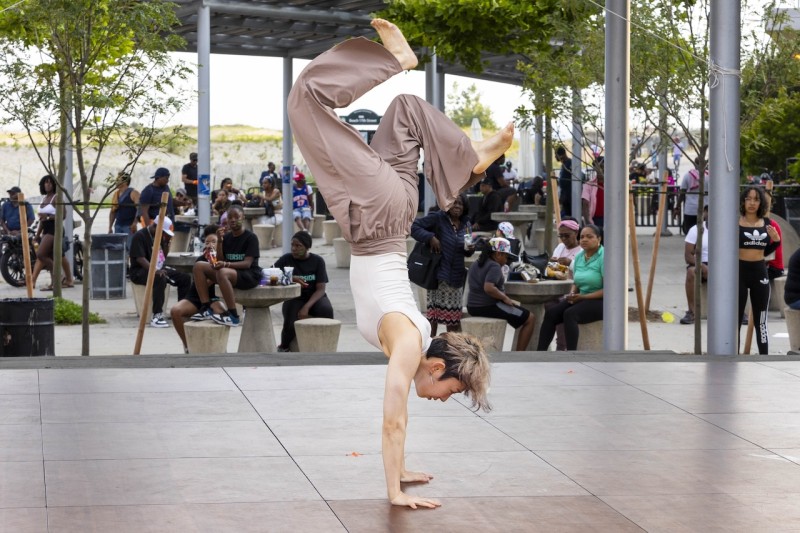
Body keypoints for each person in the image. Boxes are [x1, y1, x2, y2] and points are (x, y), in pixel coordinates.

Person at [287, 18, 509, 509]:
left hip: (395, 207)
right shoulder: (409, 344)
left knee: (406, 108)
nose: (442, 398)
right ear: (435, 365)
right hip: (379, 214)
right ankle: (407, 74)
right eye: (449, 390)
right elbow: (393, 418)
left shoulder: (414, 338)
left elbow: (399, 417)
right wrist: (393, 493)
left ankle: (468, 156)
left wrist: (403, 470)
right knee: (304, 99)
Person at [410, 193, 475, 336]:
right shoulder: (438, 218)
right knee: (433, 318)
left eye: (460, 204)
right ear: (447, 204)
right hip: (439, 276)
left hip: (456, 279)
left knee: (453, 321)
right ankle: (430, 345)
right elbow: (414, 226)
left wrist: (470, 249)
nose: (457, 206)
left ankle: (450, 349)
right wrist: (430, 237)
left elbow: (466, 251)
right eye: (454, 203)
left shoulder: (466, 224)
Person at [537, 224, 604, 351]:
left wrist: (582, 297)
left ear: (599, 239)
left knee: (570, 314)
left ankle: (571, 355)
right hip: (581, 297)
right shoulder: (579, 256)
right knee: (551, 313)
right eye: (582, 237)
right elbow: (577, 281)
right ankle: (540, 353)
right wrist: (573, 292)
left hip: (601, 301)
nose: (584, 240)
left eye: (589, 237)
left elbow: (609, 291)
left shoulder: (604, 257)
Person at [192, 204, 261, 327]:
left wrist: (226, 264)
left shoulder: (251, 237)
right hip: (230, 273)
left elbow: (247, 263)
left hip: (249, 275)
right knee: (199, 266)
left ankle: (233, 315)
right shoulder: (227, 237)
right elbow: (220, 259)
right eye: (230, 217)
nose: (233, 220)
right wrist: (219, 241)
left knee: (222, 272)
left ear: (243, 218)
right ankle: (207, 307)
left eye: (236, 216)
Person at [466, 237, 534, 351]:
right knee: (530, 318)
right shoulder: (494, 266)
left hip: (472, 306)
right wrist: (505, 298)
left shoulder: (476, 263)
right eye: (506, 256)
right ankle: (519, 354)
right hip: (487, 306)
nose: (506, 260)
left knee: (521, 314)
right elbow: (489, 288)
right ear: (498, 254)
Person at [273, 231, 334, 351]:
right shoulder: (286, 259)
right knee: (290, 321)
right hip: (294, 297)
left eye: (298, 246)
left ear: (307, 247)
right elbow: (268, 276)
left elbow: (321, 289)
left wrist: (306, 307)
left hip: (315, 296)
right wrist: (290, 278)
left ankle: (327, 344)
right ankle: (284, 346)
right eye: (292, 245)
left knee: (326, 311)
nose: (294, 249)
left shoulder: (318, 261)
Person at [170, 225, 226, 353]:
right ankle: (187, 345)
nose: (209, 244)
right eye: (207, 242)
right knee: (175, 311)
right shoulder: (201, 261)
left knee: (224, 315)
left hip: (213, 298)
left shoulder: (224, 260)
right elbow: (202, 285)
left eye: (213, 242)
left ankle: (219, 347)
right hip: (196, 297)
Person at [129, 216, 192, 328]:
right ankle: (157, 316)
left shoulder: (160, 237)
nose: (164, 234)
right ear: (156, 227)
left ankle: (182, 310)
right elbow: (140, 259)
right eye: (163, 232)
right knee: (159, 278)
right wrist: (155, 271)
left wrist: (166, 242)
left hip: (157, 267)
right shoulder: (140, 236)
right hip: (139, 271)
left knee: (185, 278)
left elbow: (164, 257)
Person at [738, 186, 780, 354]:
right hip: (739, 272)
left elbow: (766, 251)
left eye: (756, 199)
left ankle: (764, 356)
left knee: (761, 320)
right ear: (743, 201)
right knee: (736, 318)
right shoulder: (736, 222)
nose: (752, 203)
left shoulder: (767, 224)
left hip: (759, 272)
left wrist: (776, 241)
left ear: (761, 202)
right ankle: (733, 355)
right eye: (749, 198)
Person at [31, 175, 75, 290]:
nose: (47, 185)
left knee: (40, 254)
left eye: (50, 183)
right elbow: (41, 220)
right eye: (45, 183)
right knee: (50, 255)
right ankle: (54, 283)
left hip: (54, 229)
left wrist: (49, 217)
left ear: (55, 185)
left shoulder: (56, 197)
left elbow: (63, 215)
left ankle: (59, 276)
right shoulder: (44, 199)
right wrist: (37, 234)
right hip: (46, 229)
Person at [544, 217, 582, 350]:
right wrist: (553, 263)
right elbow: (552, 269)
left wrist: (570, 263)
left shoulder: (582, 251)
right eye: (561, 236)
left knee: (560, 309)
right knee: (547, 305)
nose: (564, 239)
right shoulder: (560, 247)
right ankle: (543, 347)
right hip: (557, 289)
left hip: (572, 292)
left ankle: (561, 346)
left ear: (576, 233)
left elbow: (584, 272)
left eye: (567, 235)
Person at [679, 205, 709, 325]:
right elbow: (688, 256)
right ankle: (692, 312)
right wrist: (702, 266)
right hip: (701, 263)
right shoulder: (696, 230)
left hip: (722, 264)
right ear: (705, 213)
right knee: (691, 272)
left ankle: (739, 311)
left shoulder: (728, 229)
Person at [674, 157, 709, 235]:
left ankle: (692, 246)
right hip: (705, 210)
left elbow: (682, 192)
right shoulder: (709, 175)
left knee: (690, 233)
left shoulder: (687, 175)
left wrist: (677, 207)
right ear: (705, 164)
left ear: (694, 164)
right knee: (704, 233)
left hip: (690, 210)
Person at [108, 172, 140, 250]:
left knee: (130, 248)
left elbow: (139, 209)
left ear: (125, 182)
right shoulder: (116, 194)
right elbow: (113, 211)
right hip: (118, 225)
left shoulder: (134, 193)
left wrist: (135, 223)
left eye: (118, 180)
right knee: (119, 249)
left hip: (129, 226)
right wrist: (110, 227)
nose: (116, 182)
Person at [582, 156, 605, 229]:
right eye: (598, 167)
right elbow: (585, 203)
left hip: (610, 219)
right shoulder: (589, 184)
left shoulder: (613, 185)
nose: (600, 169)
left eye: (602, 166)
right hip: (595, 220)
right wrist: (588, 222)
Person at [555, 146, 573, 217]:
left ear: (561, 154)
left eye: (556, 155)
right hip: (565, 196)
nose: (555, 157)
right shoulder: (564, 165)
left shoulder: (569, 163)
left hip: (569, 197)